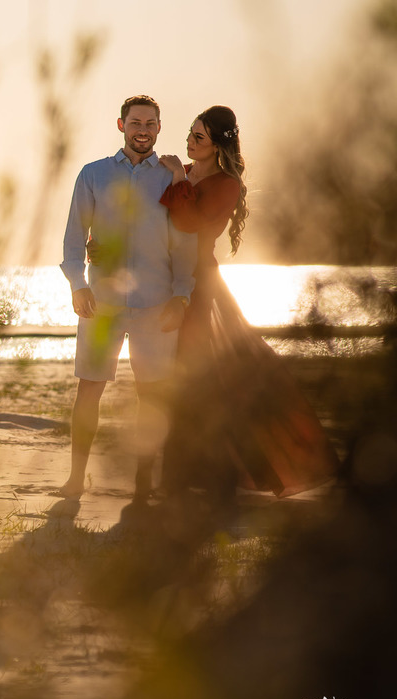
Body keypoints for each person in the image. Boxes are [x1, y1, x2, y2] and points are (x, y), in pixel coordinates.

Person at [157, 105, 337, 508]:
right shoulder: (182, 170)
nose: (189, 141)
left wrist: (177, 179)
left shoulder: (226, 184)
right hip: (165, 281)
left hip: (199, 285)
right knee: (172, 376)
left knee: (197, 376)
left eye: (199, 137)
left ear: (218, 145)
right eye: (190, 133)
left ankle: (210, 480)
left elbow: (190, 224)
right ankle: (182, 477)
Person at [57, 95, 197, 500]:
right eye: (135, 123)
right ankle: (75, 479)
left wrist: (181, 295)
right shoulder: (93, 174)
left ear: (159, 128)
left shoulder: (172, 178)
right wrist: (78, 284)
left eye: (150, 124)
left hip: (156, 305)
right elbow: (73, 237)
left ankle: (142, 487)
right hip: (102, 304)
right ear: (121, 125)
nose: (142, 131)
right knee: (88, 390)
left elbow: (183, 243)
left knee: (151, 398)